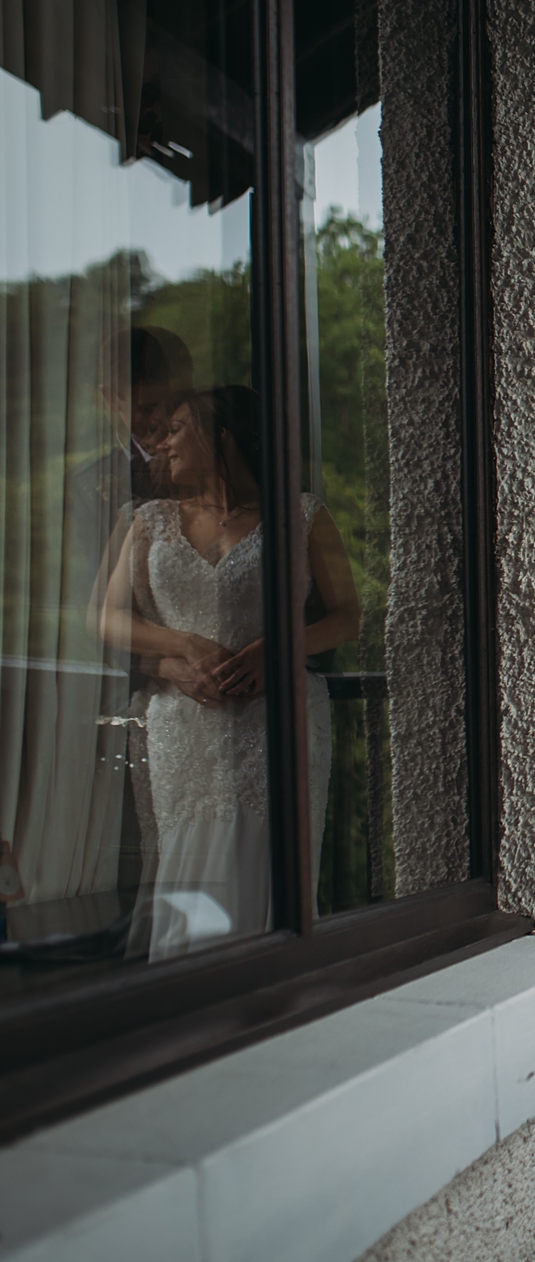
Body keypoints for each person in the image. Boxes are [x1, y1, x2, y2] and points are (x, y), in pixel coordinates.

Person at [98, 387, 361, 958]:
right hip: (184, 728)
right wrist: (182, 646)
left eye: (177, 429)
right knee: (188, 867)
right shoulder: (149, 522)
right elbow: (110, 621)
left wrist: (279, 649)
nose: (162, 442)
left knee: (269, 868)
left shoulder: (303, 516)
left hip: (278, 722)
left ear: (220, 436)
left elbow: (347, 618)